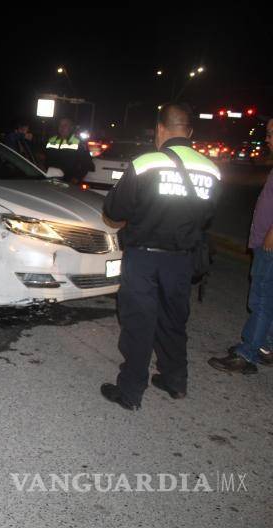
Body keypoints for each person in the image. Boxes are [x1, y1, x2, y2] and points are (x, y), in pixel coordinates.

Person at [100, 102, 221, 410]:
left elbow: (115, 210)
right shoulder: (211, 168)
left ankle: (130, 391)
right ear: (189, 132)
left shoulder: (146, 162)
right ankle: (175, 381)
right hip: (182, 259)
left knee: (139, 323)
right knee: (173, 321)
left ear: (160, 129)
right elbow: (207, 215)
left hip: (144, 258)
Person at [208, 118, 273, 373]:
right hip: (264, 241)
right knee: (266, 298)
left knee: (261, 299)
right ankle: (263, 346)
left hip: (270, 245)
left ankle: (248, 355)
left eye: (270, 133)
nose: (267, 138)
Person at [44, 117, 94, 184]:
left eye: (65, 125)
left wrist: (77, 178)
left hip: (68, 181)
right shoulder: (51, 140)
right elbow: (43, 158)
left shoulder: (78, 143)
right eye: (60, 125)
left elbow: (87, 163)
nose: (62, 127)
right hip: (49, 179)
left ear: (71, 128)